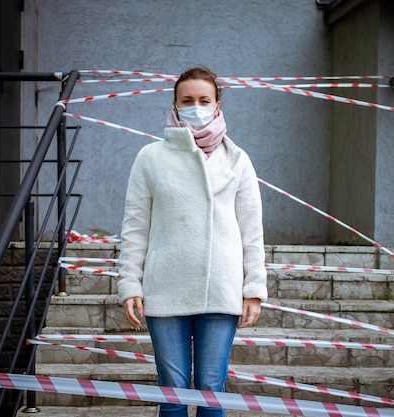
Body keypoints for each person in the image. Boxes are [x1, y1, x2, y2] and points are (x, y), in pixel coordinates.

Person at [117, 65, 268, 417]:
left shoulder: (238, 160)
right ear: (174, 104)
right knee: (172, 390)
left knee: (212, 388)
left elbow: (252, 230)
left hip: (222, 289)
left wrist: (254, 289)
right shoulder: (150, 158)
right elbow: (135, 227)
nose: (196, 105)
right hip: (164, 289)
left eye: (204, 99)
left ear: (217, 106)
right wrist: (130, 284)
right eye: (187, 100)